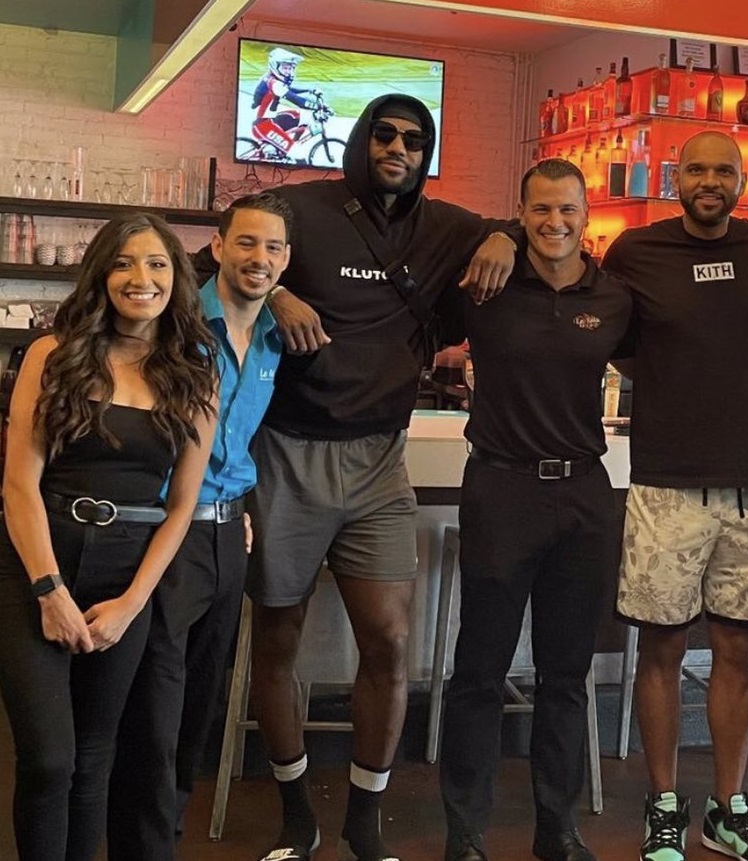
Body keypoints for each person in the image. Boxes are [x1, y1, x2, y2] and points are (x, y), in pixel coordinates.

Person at [203, 93, 518, 861]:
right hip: (287, 452)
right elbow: (216, 257)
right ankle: (295, 814)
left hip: (380, 459)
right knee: (277, 636)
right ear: (360, 139)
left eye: (413, 139)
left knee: (389, 638)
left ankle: (365, 822)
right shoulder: (302, 209)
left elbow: (518, 225)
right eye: (384, 134)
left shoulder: (443, 227)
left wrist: (503, 237)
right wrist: (276, 290)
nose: (397, 148)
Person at [0, 212, 217, 861]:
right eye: (123, 262)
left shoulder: (194, 374)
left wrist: (131, 604)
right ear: (101, 274)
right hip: (36, 561)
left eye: (156, 263)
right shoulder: (52, 354)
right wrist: (49, 590)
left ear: (175, 279)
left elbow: (181, 506)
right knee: (49, 759)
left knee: (95, 758)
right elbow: (19, 485)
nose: (139, 277)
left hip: (127, 574)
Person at [607, 131, 748, 861]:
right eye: (696, 169)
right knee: (662, 646)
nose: (709, 180)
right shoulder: (636, 251)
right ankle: (662, 804)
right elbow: (621, 346)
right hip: (665, 481)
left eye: (723, 169)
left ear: (742, 180)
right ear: (673, 176)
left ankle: (728, 808)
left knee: (737, 648)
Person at [438, 158, 631, 861]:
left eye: (567, 210)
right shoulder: (484, 284)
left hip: (583, 492)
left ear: (586, 216)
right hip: (501, 488)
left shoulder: (613, 297)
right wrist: (496, 236)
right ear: (520, 214)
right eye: (540, 210)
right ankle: (465, 834)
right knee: (479, 671)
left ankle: (558, 829)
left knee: (567, 675)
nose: (555, 222)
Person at [106, 193, 291, 861]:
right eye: (246, 242)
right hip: (165, 533)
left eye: (273, 247)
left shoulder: (273, 336)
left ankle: (166, 835)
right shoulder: (173, 323)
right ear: (217, 247)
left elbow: (241, 442)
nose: (259, 258)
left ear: (286, 260)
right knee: (154, 711)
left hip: (227, 535)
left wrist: (241, 513)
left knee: (196, 713)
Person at [251, 47, 325, 158]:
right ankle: (290, 150)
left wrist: (309, 90)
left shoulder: (272, 79)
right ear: (275, 66)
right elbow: (296, 100)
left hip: (269, 120)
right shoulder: (274, 84)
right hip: (263, 126)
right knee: (298, 154)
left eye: (291, 68)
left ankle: (288, 146)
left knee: (298, 115)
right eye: (285, 68)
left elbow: (290, 90)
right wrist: (318, 106)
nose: (289, 72)